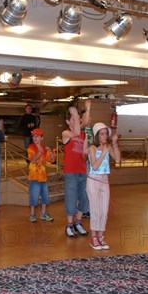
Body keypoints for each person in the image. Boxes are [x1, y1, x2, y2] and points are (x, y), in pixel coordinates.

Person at [87, 123, 121, 250]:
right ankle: (94, 238)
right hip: (93, 181)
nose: (105, 136)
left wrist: (115, 144)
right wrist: (103, 153)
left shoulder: (108, 147)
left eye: (106, 133)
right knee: (95, 210)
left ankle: (101, 236)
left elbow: (117, 159)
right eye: (102, 134)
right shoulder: (92, 148)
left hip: (104, 181)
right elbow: (94, 166)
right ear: (96, 135)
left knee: (104, 211)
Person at [62, 99, 91, 238]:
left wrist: (88, 152)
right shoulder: (66, 134)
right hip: (70, 172)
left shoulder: (84, 135)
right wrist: (74, 114)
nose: (76, 122)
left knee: (84, 199)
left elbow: (84, 152)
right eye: (73, 120)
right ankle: (69, 225)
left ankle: (78, 223)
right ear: (68, 122)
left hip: (81, 171)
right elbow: (76, 132)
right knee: (71, 198)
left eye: (77, 119)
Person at [27, 128, 55, 223]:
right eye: (34, 136)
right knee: (33, 196)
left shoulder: (45, 148)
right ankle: (32, 214)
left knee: (45, 196)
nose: (35, 138)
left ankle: (43, 214)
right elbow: (33, 160)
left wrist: (51, 152)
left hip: (43, 176)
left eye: (37, 136)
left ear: (42, 138)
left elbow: (50, 160)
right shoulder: (30, 148)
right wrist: (39, 151)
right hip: (34, 176)